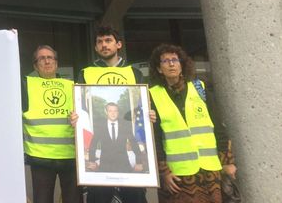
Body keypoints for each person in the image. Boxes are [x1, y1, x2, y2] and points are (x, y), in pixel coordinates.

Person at [148, 44, 237, 203]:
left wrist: (228, 163)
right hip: (178, 176)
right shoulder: (153, 95)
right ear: (159, 69)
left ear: (182, 65)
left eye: (175, 60)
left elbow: (218, 127)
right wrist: (164, 173)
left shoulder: (199, 88)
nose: (171, 64)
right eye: (165, 61)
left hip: (210, 171)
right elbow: (154, 139)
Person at [79, 24, 148, 203]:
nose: (104, 45)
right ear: (95, 47)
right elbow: (80, 109)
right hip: (102, 169)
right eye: (100, 42)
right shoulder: (86, 73)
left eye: (108, 40)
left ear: (118, 44)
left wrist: (150, 115)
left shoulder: (135, 73)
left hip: (127, 166)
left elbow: (144, 107)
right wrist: (76, 119)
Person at [22, 45, 81, 203]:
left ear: (56, 63)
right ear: (35, 65)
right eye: (42, 58)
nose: (47, 61)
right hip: (40, 156)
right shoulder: (26, 86)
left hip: (71, 156)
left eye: (50, 57)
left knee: (74, 200)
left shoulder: (73, 86)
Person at [87, 102, 143, 173]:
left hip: (123, 165)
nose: (113, 113)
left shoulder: (125, 125)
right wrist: (92, 161)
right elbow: (93, 144)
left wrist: (139, 162)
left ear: (118, 112)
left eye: (115, 111)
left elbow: (133, 143)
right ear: (106, 112)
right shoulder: (100, 125)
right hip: (105, 166)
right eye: (110, 111)